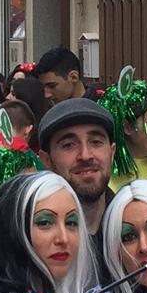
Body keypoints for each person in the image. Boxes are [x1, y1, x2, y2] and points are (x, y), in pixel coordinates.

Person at [34, 96, 120, 271]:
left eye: (96, 142)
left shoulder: (132, 232)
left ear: (112, 153)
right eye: (68, 145)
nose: (85, 155)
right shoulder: (31, 238)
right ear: (46, 160)